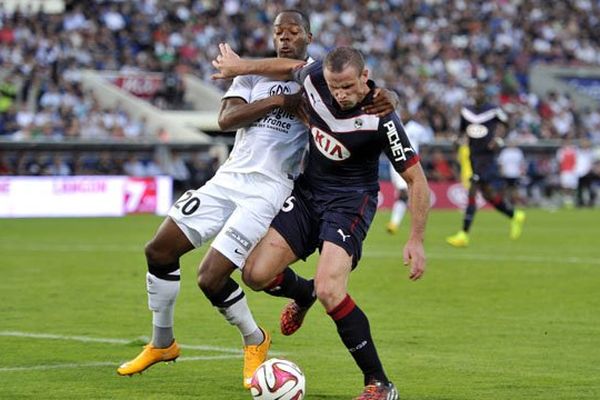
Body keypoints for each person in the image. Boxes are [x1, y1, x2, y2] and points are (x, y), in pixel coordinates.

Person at [117, 10, 398, 390]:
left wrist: (389, 95)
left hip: (269, 188)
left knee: (212, 276)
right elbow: (226, 119)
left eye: (293, 31)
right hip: (228, 178)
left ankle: (255, 339)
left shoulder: (318, 80)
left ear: (308, 37)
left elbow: (367, 93)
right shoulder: (252, 76)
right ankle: (162, 342)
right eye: (278, 32)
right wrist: (277, 103)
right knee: (158, 251)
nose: (284, 37)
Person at [212, 45, 429, 400]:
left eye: (347, 86)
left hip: (349, 203)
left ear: (365, 76)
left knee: (332, 289)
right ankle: (304, 292)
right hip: (308, 192)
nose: (340, 94)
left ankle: (379, 383)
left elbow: (417, 180)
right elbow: (289, 66)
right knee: (255, 275)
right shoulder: (314, 79)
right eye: (334, 86)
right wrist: (241, 67)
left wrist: (416, 239)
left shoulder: (382, 116)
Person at [446, 84, 525, 248]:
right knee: (488, 194)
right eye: (474, 91)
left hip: (487, 157)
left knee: (473, 188)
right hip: (473, 155)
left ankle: (464, 234)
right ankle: (514, 215)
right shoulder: (466, 111)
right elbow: (461, 131)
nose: (476, 94)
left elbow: (507, 124)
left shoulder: (493, 110)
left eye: (480, 91)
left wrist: (498, 140)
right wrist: (456, 141)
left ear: (485, 93)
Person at [386, 107, 433, 234]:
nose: (404, 115)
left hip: (409, 163)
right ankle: (402, 221)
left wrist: (419, 156)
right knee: (402, 192)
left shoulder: (416, 128)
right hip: (394, 163)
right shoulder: (394, 125)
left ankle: (394, 224)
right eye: (402, 112)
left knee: (403, 192)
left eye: (406, 112)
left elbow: (428, 141)